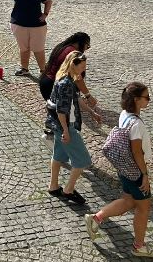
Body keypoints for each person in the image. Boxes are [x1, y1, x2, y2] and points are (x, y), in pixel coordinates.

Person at [85, 82, 153, 258]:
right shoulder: (137, 125)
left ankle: (96, 218)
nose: (149, 100)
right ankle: (139, 246)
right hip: (135, 171)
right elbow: (137, 152)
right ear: (136, 99)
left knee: (128, 200)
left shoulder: (124, 114)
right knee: (144, 207)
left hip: (124, 168)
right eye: (146, 97)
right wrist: (145, 176)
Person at [46, 52, 99, 205]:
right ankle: (68, 189)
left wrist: (92, 112)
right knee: (82, 161)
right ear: (72, 64)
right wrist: (66, 131)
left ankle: (53, 186)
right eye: (82, 66)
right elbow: (62, 111)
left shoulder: (65, 78)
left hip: (58, 126)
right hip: (65, 127)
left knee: (58, 156)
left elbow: (76, 99)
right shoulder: (66, 84)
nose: (84, 69)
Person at [9, 0, 52, 77]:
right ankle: (24, 69)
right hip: (19, 24)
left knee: (38, 49)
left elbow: (48, 1)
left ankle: (43, 71)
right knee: (24, 48)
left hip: (37, 25)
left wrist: (45, 14)